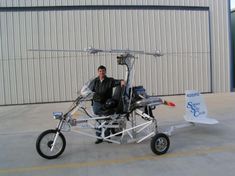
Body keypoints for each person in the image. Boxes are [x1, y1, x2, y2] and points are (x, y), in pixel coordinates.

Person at [89, 65, 125, 144]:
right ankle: (99, 138)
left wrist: (122, 81)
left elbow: (118, 81)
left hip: (107, 103)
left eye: (103, 71)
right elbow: (89, 89)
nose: (102, 72)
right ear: (98, 72)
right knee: (98, 120)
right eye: (100, 71)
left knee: (107, 120)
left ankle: (108, 137)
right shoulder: (95, 81)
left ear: (105, 72)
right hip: (97, 103)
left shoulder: (110, 80)